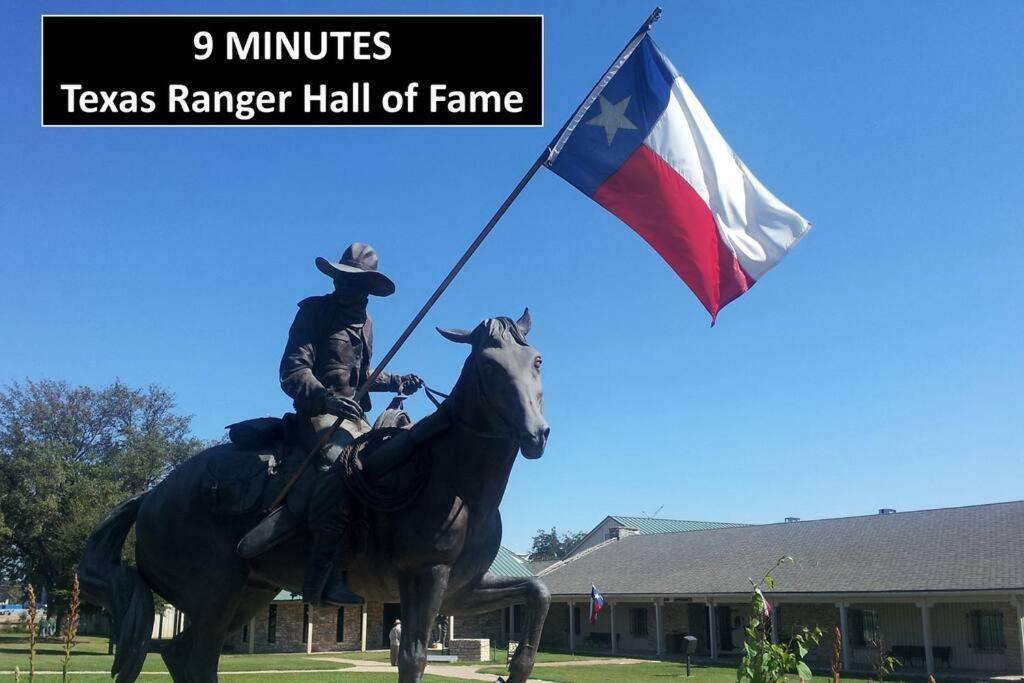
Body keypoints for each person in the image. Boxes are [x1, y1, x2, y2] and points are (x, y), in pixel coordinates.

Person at [279, 243, 447, 606]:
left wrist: (397, 380)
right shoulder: (314, 312)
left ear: (368, 289)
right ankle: (323, 576)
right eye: (343, 280)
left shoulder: (367, 325)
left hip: (356, 418)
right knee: (341, 467)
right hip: (319, 414)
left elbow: (361, 375)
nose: (347, 289)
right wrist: (323, 397)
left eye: (356, 283)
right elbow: (293, 371)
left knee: (395, 460)